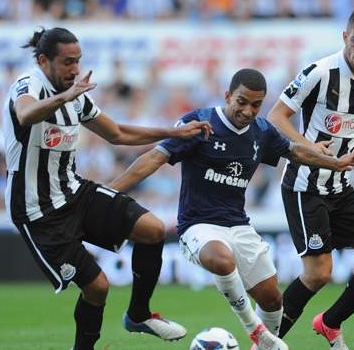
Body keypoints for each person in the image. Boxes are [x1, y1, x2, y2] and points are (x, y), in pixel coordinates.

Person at [109, 68, 354, 350]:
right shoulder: (200, 122)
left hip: (239, 225)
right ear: (228, 95)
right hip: (198, 225)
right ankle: (257, 332)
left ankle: (261, 345)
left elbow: (294, 151)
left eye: (256, 105)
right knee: (222, 260)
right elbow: (155, 157)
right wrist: (111, 191)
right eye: (241, 101)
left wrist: (335, 163)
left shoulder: (262, 131)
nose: (248, 110)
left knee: (273, 299)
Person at [2, 27, 212, 350]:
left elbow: (117, 133)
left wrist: (174, 133)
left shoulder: (75, 96)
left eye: (78, 61)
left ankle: (138, 314)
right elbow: (26, 114)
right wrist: (66, 96)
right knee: (98, 287)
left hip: (74, 192)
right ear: (44, 60)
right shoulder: (28, 85)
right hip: (39, 212)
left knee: (153, 230)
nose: (75, 69)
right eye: (68, 62)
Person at [267, 4, 354, 350]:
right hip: (304, 185)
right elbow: (276, 116)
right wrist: (310, 147)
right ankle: (266, 342)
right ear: (345, 37)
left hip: (340, 187)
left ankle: (329, 323)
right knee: (319, 273)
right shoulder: (319, 72)